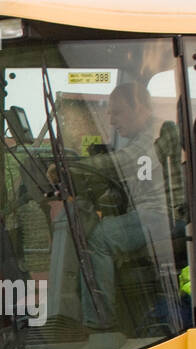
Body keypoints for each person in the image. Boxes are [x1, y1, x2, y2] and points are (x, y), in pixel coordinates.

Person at [77, 83, 173, 329]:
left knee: (99, 238)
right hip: (151, 214)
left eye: (117, 112)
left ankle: (99, 326)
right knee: (101, 227)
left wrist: (75, 166)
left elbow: (125, 161)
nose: (111, 121)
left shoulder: (158, 131)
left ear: (139, 107)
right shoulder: (141, 139)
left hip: (164, 216)